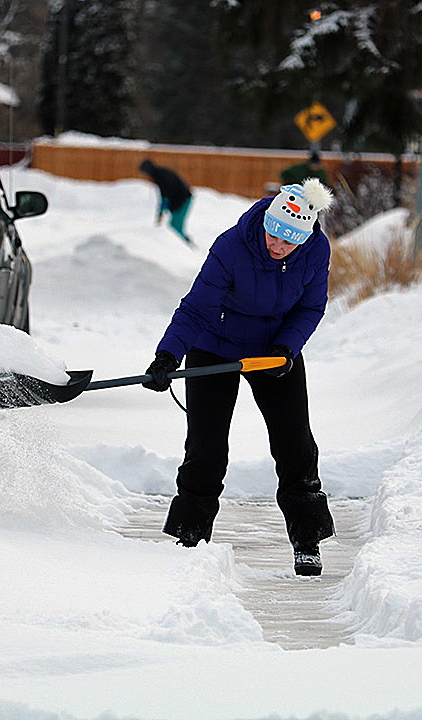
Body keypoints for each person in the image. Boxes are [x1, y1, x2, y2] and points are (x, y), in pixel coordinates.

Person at [142, 178, 336, 576]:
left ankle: (307, 539)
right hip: (214, 345)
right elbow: (196, 308)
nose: (276, 245)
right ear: (265, 219)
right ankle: (190, 534)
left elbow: (311, 307)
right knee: (206, 445)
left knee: (294, 442)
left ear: (304, 238)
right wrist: (167, 355)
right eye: (273, 234)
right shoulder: (231, 246)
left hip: (274, 352)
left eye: (288, 241)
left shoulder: (316, 251)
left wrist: (285, 349)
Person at [139, 158, 193, 245]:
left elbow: (167, 191)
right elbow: (165, 193)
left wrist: (164, 204)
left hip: (183, 199)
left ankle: (186, 246)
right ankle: (185, 243)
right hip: (179, 200)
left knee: (175, 226)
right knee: (174, 226)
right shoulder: (159, 174)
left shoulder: (160, 175)